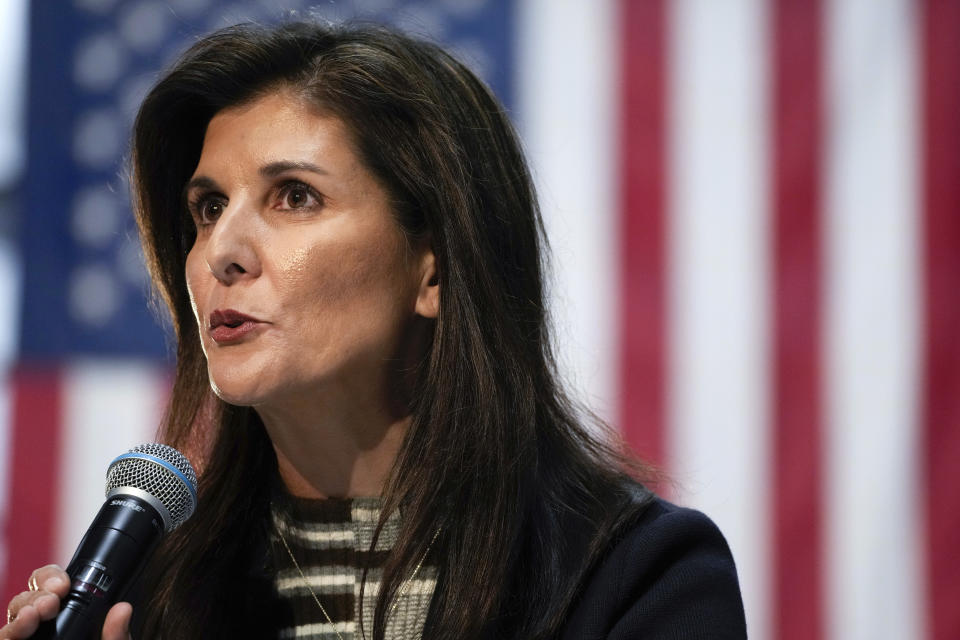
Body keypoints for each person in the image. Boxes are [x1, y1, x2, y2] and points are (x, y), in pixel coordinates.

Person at [2, 21, 746, 640]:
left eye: (294, 197)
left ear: (435, 267)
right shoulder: (147, 602)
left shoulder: (632, 577)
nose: (220, 252)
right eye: (207, 208)